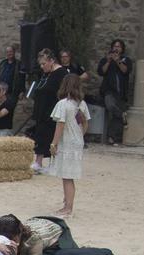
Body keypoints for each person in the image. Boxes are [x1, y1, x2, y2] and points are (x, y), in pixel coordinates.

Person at [48, 71, 90, 216]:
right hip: (76, 142)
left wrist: (54, 143)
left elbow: (60, 125)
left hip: (67, 143)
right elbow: (84, 124)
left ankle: (68, 208)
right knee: (68, 175)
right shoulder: (81, 104)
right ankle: (67, 203)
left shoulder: (62, 104)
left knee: (67, 176)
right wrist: (79, 136)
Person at [25, 48, 67, 171]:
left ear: (52, 61)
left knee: (53, 136)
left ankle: (53, 163)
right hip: (42, 110)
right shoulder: (45, 73)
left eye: (44, 64)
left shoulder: (62, 73)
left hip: (53, 109)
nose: (42, 66)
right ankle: (38, 161)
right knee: (40, 135)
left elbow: (63, 92)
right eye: (41, 64)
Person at [97, 39, 133, 145]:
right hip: (108, 91)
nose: (117, 48)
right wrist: (108, 61)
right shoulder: (106, 59)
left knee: (115, 117)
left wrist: (118, 61)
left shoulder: (126, 60)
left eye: (119, 47)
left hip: (121, 92)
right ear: (112, 47)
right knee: (111, 106)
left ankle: (112, 138)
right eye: (115, 46)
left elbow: (125, 71)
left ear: (122, 49)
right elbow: (101, 72)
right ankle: (122, 114)